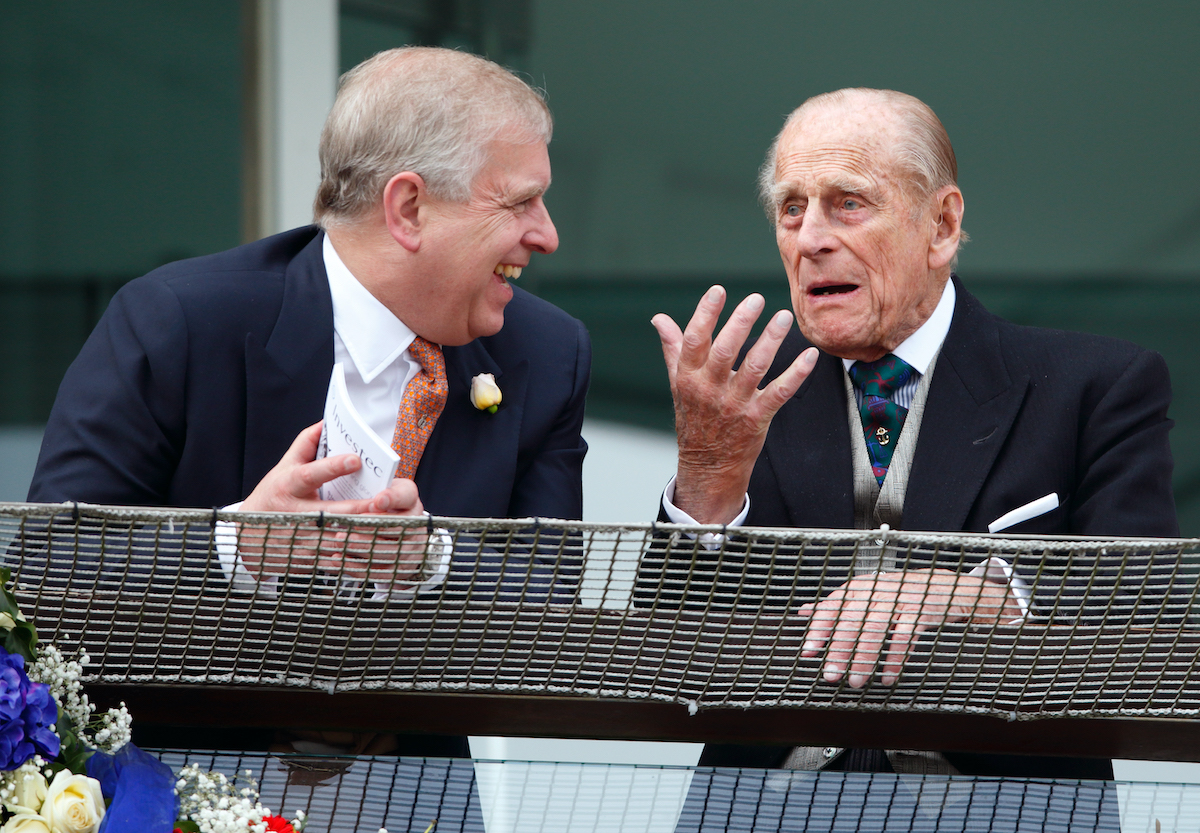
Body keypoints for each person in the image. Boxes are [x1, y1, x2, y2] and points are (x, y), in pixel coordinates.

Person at [26, 47, 590, 755]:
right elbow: (49, 570)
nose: (547, 234)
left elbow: (552, 597)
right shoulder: (177, 321)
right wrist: (235, 547)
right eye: (519, 202)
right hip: (183, 787)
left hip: (418, 794)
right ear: (409, 207)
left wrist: (432, 563)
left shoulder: (545, 353)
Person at [647, 88, 1177, 780]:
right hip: (765, 810)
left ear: (942, 226)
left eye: (849, 204)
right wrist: (707, 479)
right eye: (791, 209)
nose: (810, 240)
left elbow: (1142, 611)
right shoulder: (743, 397)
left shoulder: (1095, 386)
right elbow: (665, 663)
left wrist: (973, 595)